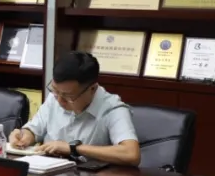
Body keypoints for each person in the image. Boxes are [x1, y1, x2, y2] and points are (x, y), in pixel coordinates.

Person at [10, 51, 140, 166]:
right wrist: (24, 136)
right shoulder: (55, 97)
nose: (59, 100)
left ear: (92, 89)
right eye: (55, 90)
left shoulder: (113, 109)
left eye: (69, 96)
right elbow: (34, 130)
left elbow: (131, 154)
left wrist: (73, 148)